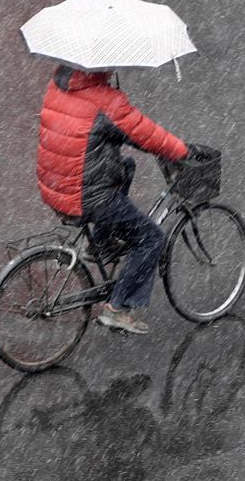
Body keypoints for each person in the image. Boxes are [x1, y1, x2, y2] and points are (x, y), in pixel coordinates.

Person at [36, 65, 189, 334]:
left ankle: (101, 244)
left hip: (57, 184)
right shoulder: (105, 102)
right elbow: (143, 133)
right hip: (87, 195)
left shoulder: (58, 85)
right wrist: (179, 150)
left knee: (126, 166)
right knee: (151, 238)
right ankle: (116, 309)